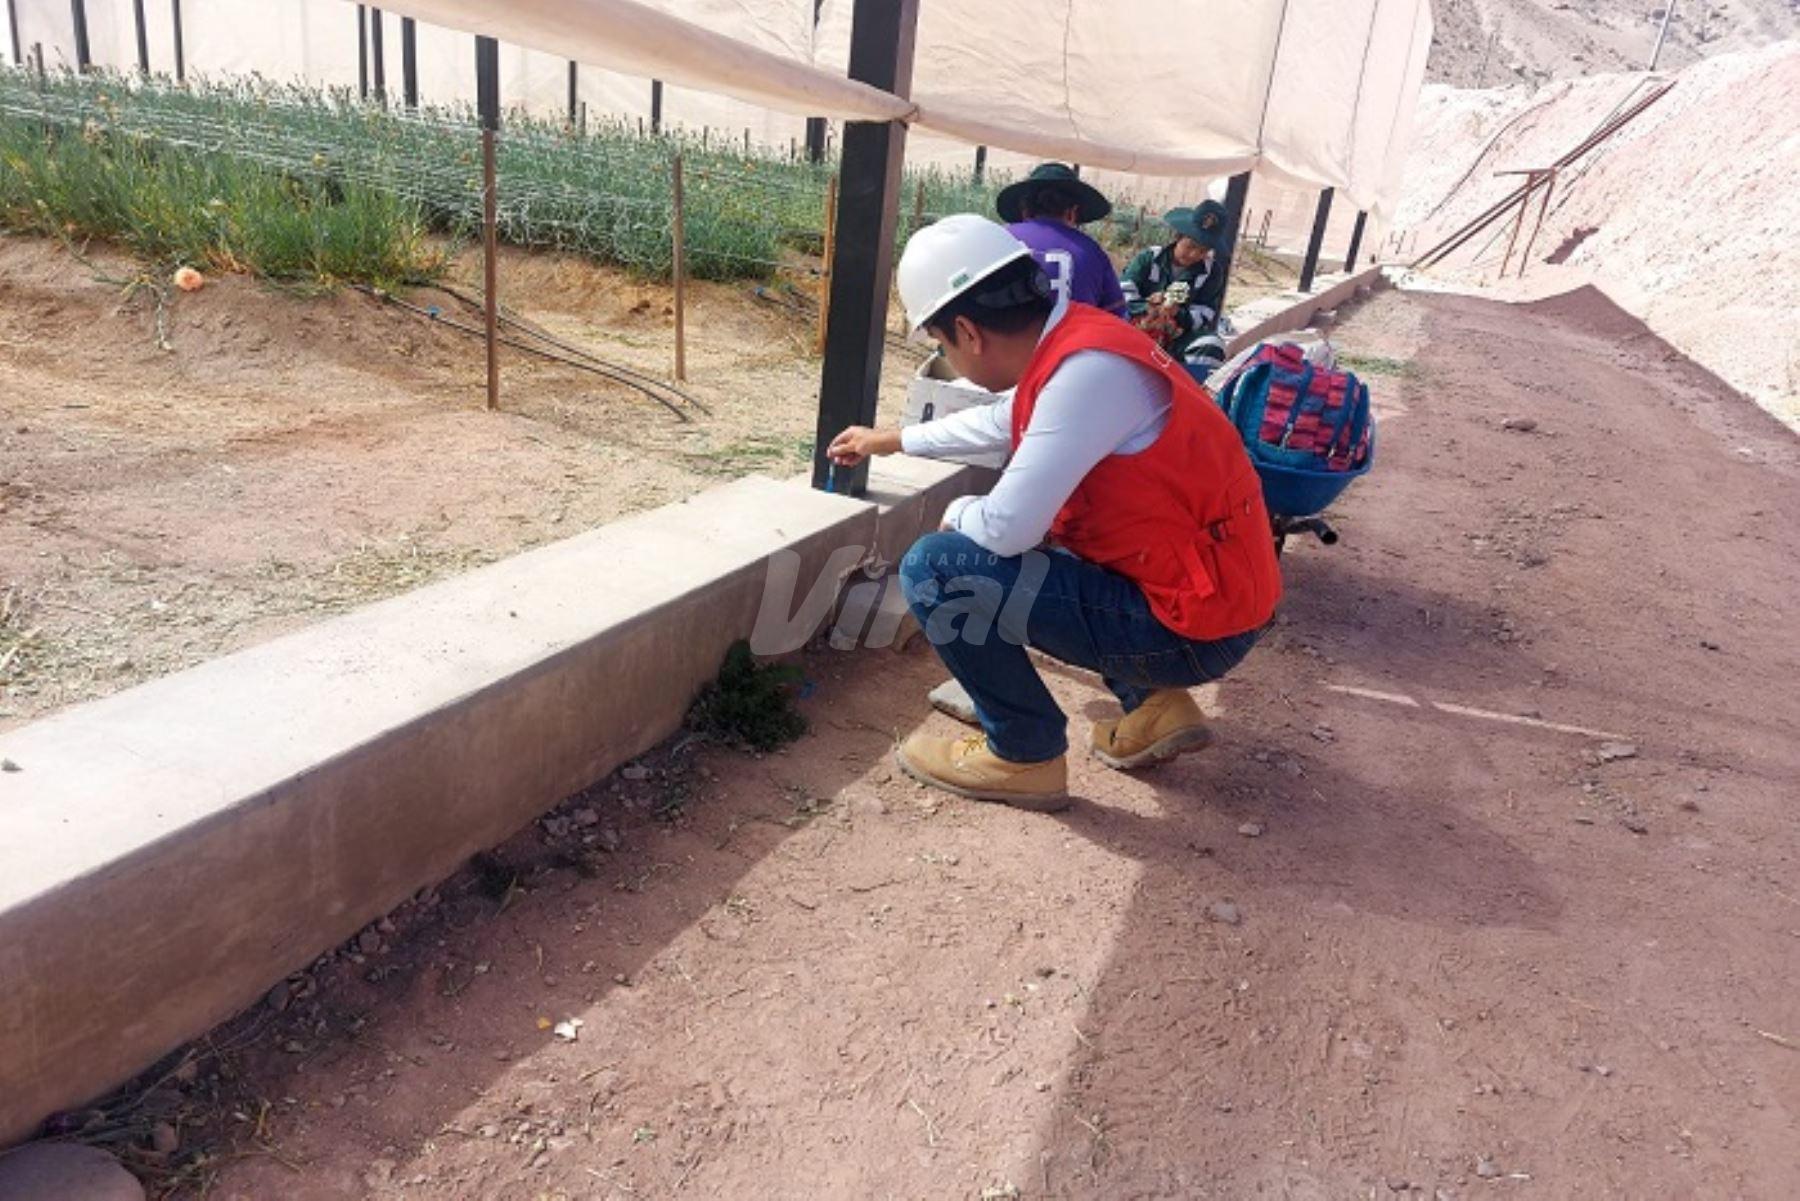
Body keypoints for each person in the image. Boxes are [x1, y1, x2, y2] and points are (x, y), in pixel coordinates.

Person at [827, 215, 1281, 811]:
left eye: (941, 345)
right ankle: (1154, 704)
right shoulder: (1086, 342)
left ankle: (1023, 753)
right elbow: (1002, 420)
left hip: (1195, 625)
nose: (948, 356)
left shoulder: (1084, 377)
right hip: (1215, 594)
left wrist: (958, 510)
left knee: (937, 565)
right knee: (1061, 538)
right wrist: (892, 440)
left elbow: (1005, 529)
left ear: (967, 331)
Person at [996, 162, 1128, 318]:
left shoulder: (1000, 239)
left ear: (1024, 210)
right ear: (1072, 213)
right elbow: (1115, 318)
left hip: (1003, 331)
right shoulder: (1092, 252)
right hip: (1076, 333)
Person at [1121, 199, 1232, 364]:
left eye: (1203, 251)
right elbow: (1123, 294)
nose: (1194, 254)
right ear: (1178, 237)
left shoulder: (1211, 273)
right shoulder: (1149, 258)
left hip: (1179, 338)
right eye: (1190, 246)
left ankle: (1188, 378)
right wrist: (1148, 306)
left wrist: (1177, 313)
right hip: (1138, 328)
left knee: (1212, 345)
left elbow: (1205, 313)